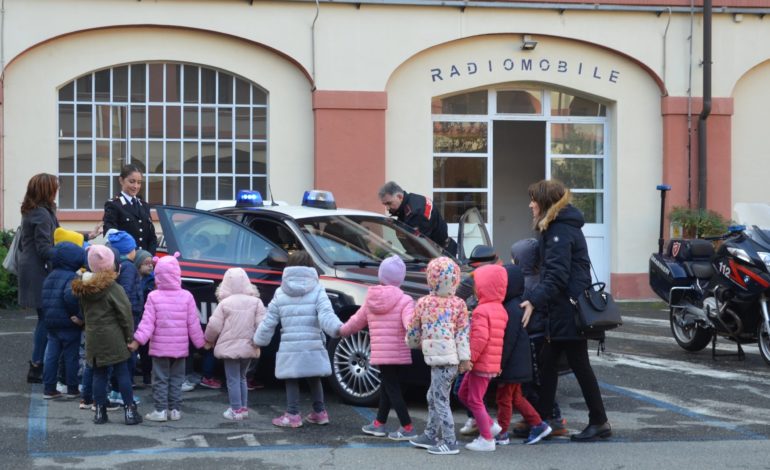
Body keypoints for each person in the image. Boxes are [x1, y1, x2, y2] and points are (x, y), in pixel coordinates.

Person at [519, 179, 611, 442]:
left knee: (579, 365)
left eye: (534, 200)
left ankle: (599, 421)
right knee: (549, 364)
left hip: (568, 310)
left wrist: (534, 300)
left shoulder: (559, 231)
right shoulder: (559, 228)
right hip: (562, 309)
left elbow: (558, 276)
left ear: (545, 202)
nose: (530, 204)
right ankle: (542, 420)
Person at [252, 251, 342, 428]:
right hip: (313, 342)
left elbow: (269, 320)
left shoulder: (280, 292)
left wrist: (258, 340)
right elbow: (326, 315)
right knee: (314, 377)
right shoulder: (318, 289)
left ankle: (293, 414)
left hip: (290, 345)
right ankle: (319, 412)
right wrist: (338, 328)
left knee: (291, 378)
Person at [339, 255, 416, 440]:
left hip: (382, 353)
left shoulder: (370, 299)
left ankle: (405, 426)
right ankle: (380, 424)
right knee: (389, 387)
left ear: (381, 276)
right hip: (400, 352)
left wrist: (340, 331)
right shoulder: (405, 300)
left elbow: (356, 321)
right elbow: (410, 323)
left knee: (390, 388)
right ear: (401, 279)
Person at [129, 252, 206, 422]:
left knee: (160, 380)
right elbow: (193, 324)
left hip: (160, 349)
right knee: (177, 379)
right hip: (180, 348)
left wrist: (137, 341)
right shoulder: (187, 296)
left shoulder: (153, 297)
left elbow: (147, 323)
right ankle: (175, 409)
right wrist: (201, 343)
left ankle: (160, 410)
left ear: (158, 276)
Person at [406, 257, 470, 456]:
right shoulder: (459, 304)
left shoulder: (423, 303)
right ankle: (430, 433)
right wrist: (464, 358)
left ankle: (449, 441)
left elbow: (414, 329)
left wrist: (412, 343)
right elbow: (462, 333)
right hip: (450, 360)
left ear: (431, 279)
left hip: (437, 359)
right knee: (433, 396)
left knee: (440, 399)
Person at [71, 244, 141, 425]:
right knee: (122, 372)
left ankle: (100, 413)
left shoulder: (84, 289)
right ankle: (130, 411)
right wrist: (129, 337)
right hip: (114, 336)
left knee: (98, 374)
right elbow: (125, 314)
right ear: (111, 264)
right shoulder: (113, 288)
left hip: (93, 336)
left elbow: (84, 313)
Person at [509, 238, 567, 439]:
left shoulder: (525, 284)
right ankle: (537, 416)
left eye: (514, 257)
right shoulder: (540, 279)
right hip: (540, 336)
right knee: (538, 381)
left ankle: (551, 418)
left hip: (532, 338)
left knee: (533, 382)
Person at [494, 263, 552, 446]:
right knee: (516, 398)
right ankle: (538, 424)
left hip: (511, 364)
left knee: (503, 398)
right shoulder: (516, 304)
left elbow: (508, 341)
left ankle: (502, 432)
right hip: (519, 363)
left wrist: (500, 363)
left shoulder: (511, 308)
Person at [458, 264, 509, 452]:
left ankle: (487, 439)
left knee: (474, 400)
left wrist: (468, 359)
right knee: (464, 393)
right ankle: (490, 425)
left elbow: (480, 339)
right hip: (490, 362)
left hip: (480, 362)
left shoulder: (482, 310)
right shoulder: (499, 309)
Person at [204, 267, 266, 421]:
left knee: (232, 379)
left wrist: (209, 340)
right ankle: (243, 408)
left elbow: (214, 325)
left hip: (229, 347)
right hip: (249, 346)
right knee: (242, 377)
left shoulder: (225, 303)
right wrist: (258, 342)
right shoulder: (256, 302)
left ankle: (235, 409)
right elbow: (262, 325)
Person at [18, 173, 61, 383]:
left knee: (44, 319)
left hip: (34, 269)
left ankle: (38, 365)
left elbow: (58, 235)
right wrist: (71, 254)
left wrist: (85, 238)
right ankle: (37, 366)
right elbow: (45, 249)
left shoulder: (38, 211)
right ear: (47, 190)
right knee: (46, 319)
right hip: (38, 272)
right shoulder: (41, 214)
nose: (57, 191)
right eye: (55, 187)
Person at [41, 242, 86, 399]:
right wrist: (78, 316)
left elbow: (45, 298)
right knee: (71, 356)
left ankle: (49, 388)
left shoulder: (50, 276)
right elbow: (70, 296)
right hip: (68, 323)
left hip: (51, 322)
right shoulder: (72, 277)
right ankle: (72, 387)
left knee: (52, 355)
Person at [107, 230, 144, 391]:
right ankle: (126, 385)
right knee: (129, 351)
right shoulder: (128, 267)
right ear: (130, 250)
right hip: (130, 314)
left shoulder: (117, 266)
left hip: (125, 313)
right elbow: (126, 293)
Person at [378, 181, 456, 255]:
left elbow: (421, 246)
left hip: (440, 254)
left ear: (399, 197)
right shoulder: (412, 201)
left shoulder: (415, 212)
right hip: (435, 251)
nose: (387, 208)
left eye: (389, 203)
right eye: (385, 204)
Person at [103, 164, 158, 254]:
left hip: (145, 262)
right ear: (121, 180)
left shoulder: (144, 206)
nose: (136, 186)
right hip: (126, 260)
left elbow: (152, 238)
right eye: (132, 182)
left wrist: (148, 257)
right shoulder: (114, 205)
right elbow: (112, 236)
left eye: (139, 182)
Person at [133, 249, 155, 388]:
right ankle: (132, 375)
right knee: (133, 350)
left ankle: (148, 376)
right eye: (146, 263)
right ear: (138, 265)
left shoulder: (153, 281)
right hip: (135, 318)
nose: (150, 266)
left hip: (147, 320)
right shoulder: (133, 279)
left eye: (151, 263)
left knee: (147, 351)